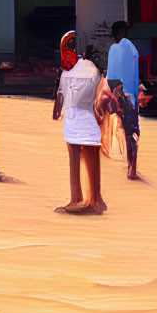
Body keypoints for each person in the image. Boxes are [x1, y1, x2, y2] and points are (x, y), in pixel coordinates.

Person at [53, 31, 110, 214]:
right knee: (91, 158)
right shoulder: (92, 70)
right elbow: (101, 98)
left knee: (76, 159)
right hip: (88, 121)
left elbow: (61, 97)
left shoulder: (69, 71)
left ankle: (79, 199)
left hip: (74, 120)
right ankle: (95, 199)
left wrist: (57, 111)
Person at [105, 21, 146, 178]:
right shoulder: (129, 48)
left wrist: (113, 95)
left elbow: (112, 75)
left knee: (127, 130)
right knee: (132, 131)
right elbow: (133, 74)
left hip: (119, 94)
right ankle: (132, 166)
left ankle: (131, 165)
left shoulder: (117, 49)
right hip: (127, 94)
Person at [107, 78, 141, 183]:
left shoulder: (123, 98)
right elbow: (112, 111)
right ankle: (131, 171)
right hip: (129, 124)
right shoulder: (121, 99)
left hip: (128, 124)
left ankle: (131, 169)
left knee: (131, 146)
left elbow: (111, 111)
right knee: (133, 146)